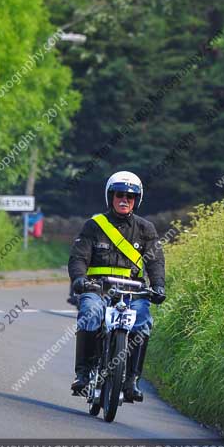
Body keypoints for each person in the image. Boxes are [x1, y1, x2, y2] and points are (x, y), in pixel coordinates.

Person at [68, 170, 166, 402]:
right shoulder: (94, 226)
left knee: (143, 320)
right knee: (90, 312)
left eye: (130, 196)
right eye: (119, 194)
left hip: (132, 293)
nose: (124, 199)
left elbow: (155, 261)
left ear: (136, 200)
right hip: (97, 289)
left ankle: (132, 381)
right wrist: (80, 279)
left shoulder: (146, 229)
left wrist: (159, 286)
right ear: (110, 197)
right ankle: (82, 375)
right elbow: (78, 258)